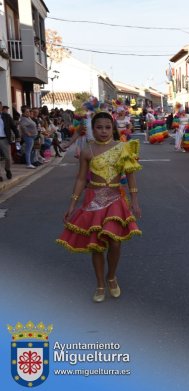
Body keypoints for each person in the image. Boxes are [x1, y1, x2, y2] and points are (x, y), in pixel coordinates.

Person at [56, 111, 142, 303]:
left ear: (113, 128)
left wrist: (134, 200)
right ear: (92, 129)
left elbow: (130, 175)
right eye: (99, 127)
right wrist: (72, 204)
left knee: (115, 242)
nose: (103, 131)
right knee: (96, 245)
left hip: (115, 198)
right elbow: (80, 179)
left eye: (107, 127)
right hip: (93, 199)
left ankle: (111, 277)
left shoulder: (123, 148)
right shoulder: (87, 151)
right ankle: (100, 284)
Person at [0, 101, 17, 180]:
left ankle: (7, 169)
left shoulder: (6, 116)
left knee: (8, 158)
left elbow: (13, 126)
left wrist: (17, 135)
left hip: (4, 139)